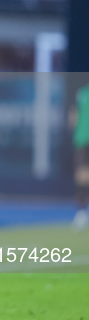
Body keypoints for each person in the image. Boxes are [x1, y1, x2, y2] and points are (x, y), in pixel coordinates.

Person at [71, 82, 89, 230]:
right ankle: (82, 213)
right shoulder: (82, 93)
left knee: (83, 176)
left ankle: (82, 212)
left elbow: (72, 118)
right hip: (82, 139)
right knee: (82, 177)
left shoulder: (81, 92)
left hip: (81, 139)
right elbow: (73, 117)